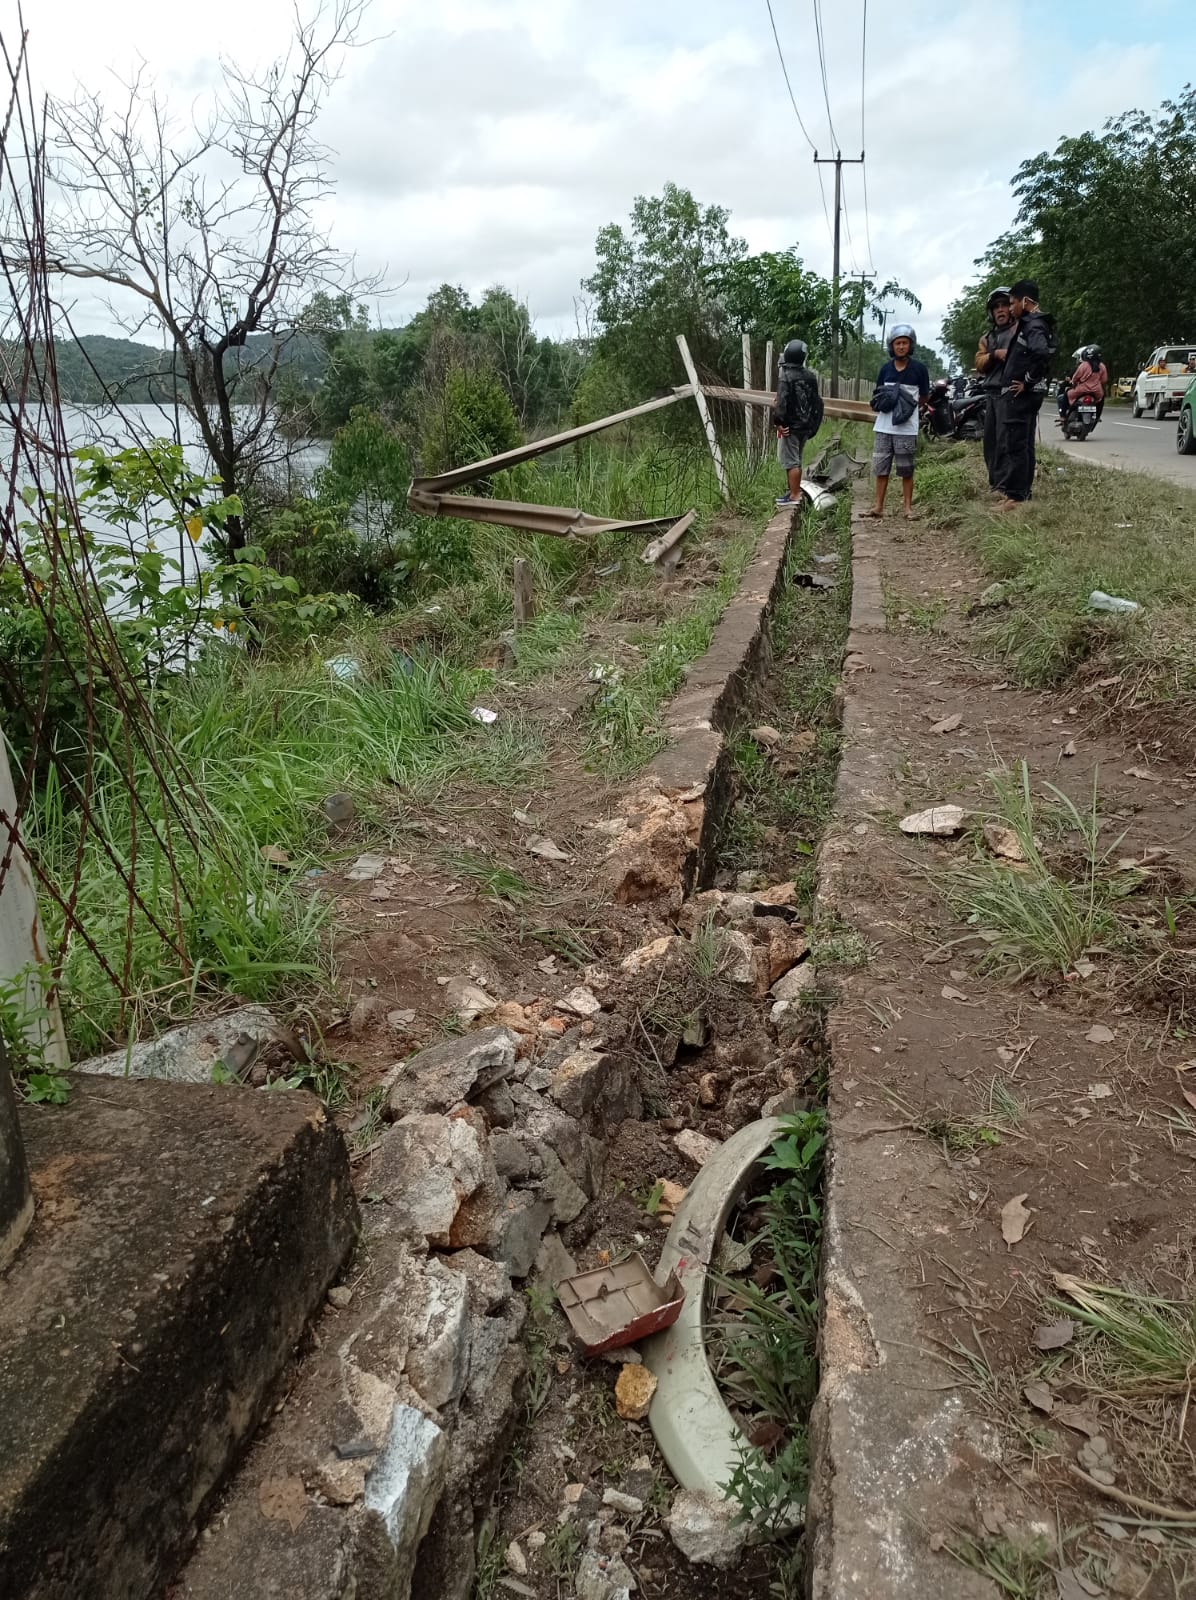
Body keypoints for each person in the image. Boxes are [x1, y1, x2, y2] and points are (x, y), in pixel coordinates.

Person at [997, 280, 1055, 508]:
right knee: (1025, 444)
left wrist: (1027, 382)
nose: (1010, 308)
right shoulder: (1037, 324)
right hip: (1028, 396)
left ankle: (1015, 497)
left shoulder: (1034, 325)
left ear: (1025, 301)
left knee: (1016, 445)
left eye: (1012, 303)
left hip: (1021, 396)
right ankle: (1021, 493)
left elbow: (1040, 354)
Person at [863, 324, 930, 520]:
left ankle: (908, 508)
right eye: (898, 343)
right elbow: (879, 394)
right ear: (892, 346)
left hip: (907, 428)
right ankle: (878, 506)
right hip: (884, 426)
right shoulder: (885, 369)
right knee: (881, 467)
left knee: (906, 469)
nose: (901, 347)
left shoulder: (919, 369)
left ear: (911, 345)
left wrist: (907, 407)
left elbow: (924, 397)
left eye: (905, 343)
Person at [771, 338, 824, 507]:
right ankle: (794, 491)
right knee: (797, 459)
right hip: (805, 426)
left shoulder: (785, 376)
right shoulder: (810, 377)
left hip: (791, 427)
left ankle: (794, 495)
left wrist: (778, 422)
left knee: (790, 460)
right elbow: (818, 403)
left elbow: (782, 402)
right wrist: (813, 426)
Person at [974, 287, 1015, 489]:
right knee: (990, 442)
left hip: (1011, 394)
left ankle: (1008, 486)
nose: (1000, 310)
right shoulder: (987, 338)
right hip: (991, 394)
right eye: (996, 307)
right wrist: (994, 354)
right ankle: (996, 484)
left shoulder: (1020, 331)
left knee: (1006, 441)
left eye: (1004, 305)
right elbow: (979, 362)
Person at [1057, 345, 1108, 427]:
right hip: (1097, 392)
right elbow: (1104, 380)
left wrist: (1073, 384)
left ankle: (1062, 416)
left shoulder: (1084, 365)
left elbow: (1075, 378)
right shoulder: (1102, 366)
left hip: (1081, 390)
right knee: (1101, 399)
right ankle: (1097, 416)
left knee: (1066, 394)